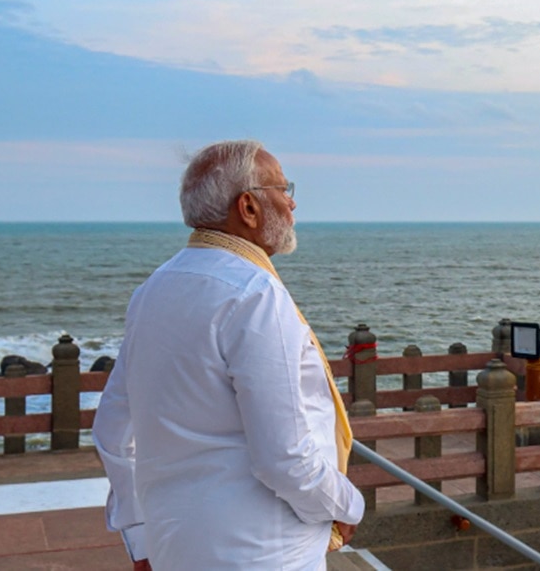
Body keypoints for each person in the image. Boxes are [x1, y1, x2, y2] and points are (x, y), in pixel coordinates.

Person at [92, 140, 364, 571]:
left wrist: (141, 537)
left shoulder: (155, 289)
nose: (292, 203)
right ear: (249, 207)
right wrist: (347, 504)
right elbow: (285, 458)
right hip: (263, 552)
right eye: (283, 188)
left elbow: (110, 429)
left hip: (174, 544)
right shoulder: (255, 295)